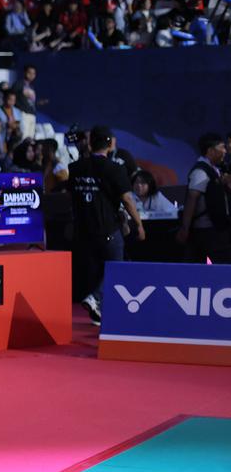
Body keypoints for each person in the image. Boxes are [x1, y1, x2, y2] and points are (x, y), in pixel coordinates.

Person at [68, 125, 145, 324]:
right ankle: (95, 298)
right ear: (110, 143)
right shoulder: (115, 169)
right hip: (107, 229)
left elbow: (73, 197)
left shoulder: (75, 168)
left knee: (96, 271)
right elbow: (127, 199)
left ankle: (97, 312)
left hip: (83, 229)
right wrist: (138, 224)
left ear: (91, 143)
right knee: (117, 268)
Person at [176, 132, 231, 264]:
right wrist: (185, 228)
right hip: (205, 231)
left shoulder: (215, 170)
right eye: (222, 147)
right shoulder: (200, 171)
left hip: (216, 227)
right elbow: (191, 199)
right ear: (211, 151)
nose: (225, 151)